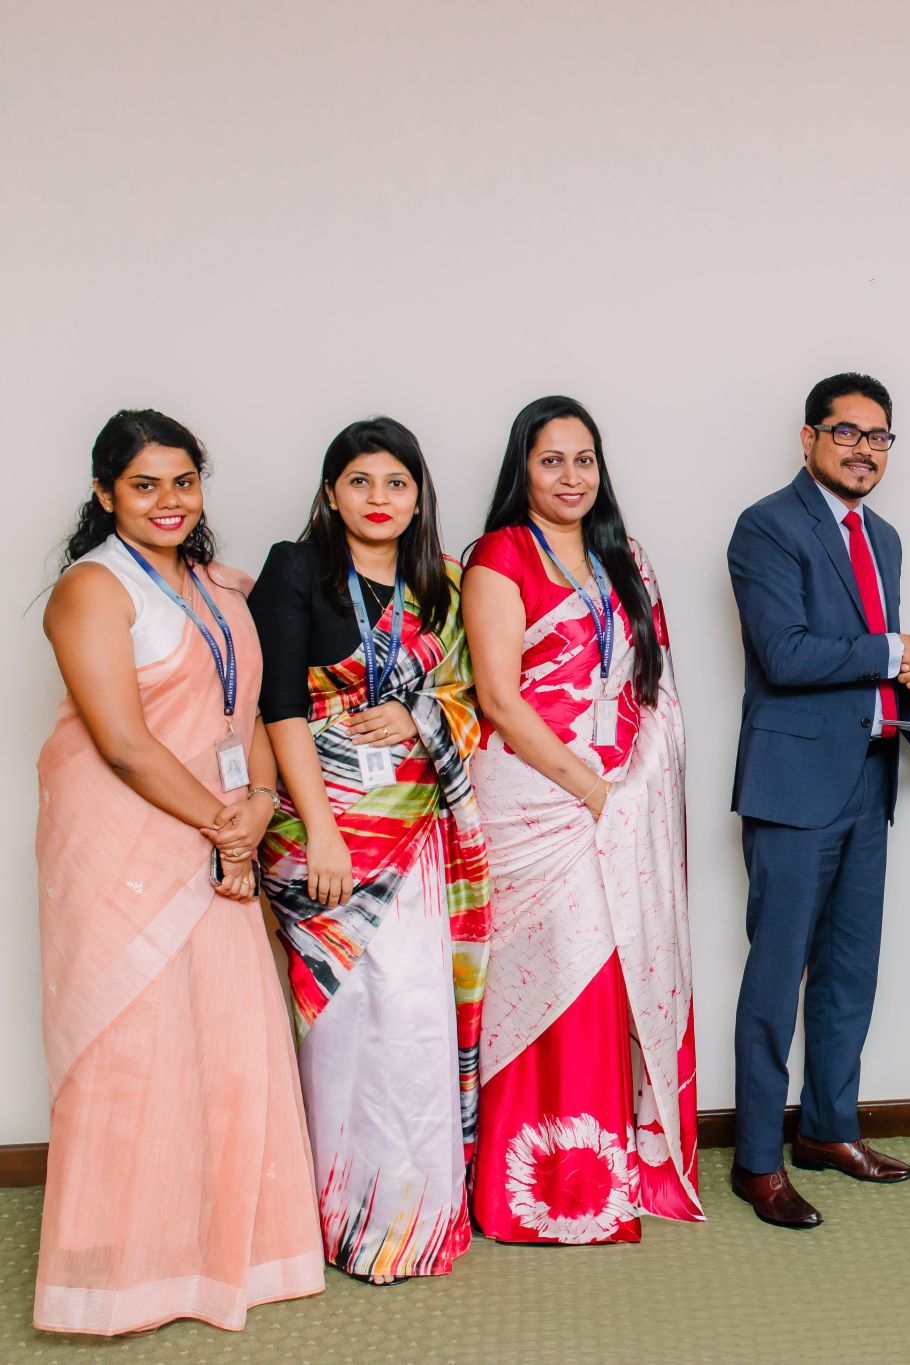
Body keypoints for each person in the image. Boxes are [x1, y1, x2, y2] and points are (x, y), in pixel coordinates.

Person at [34, 410, 322, 1334]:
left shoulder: (215, 584)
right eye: (144, 484)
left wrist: (260, 802)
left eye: (183, 481)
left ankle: (234, 1254)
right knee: (134, 1049)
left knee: (229, 1037)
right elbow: (121, 742)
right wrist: (225, 829)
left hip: (220, 828)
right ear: (104, 492)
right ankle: (117, 1276)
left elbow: (258, 708)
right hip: (128, 837)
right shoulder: (92, 587)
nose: (169, 501)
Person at [249, 417, 489, 1282]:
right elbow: (278, 706)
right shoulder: (294, 568)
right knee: (346, 1023)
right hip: (322, 832)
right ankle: (341, 1214)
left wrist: (421, 715)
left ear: (418, 495)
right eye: (359, 481)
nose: (378, 498)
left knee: (415, 1019)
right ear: (331, 491)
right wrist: (320, 829)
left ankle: (413, 1217)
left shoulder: (442, 585)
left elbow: (474, 695)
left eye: (396, 482)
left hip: (416, 828)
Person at [463, 395, 699, 1243]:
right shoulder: (499, 555)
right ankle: (538, 1188)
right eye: (552, 460)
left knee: (606, 982)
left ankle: (603, 1182)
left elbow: (653, 684)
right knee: (549, 977)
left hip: (619, 799)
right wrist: (595, 792)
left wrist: (632, 787)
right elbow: (499, 698)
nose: (571, 477)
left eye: (584, 459)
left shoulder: (622, 556)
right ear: (522, 469)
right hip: (537, 804)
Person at [726, 371, 910, 1229]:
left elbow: (870, 669)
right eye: (846, 431)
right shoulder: (766, 526)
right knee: (775, 976)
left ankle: (828, 1127)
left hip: (870, 780)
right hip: (792, 788)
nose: (864, 449)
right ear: (809, 437)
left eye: (878, 435)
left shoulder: (882, 537)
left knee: (851, 971)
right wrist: (900, 649)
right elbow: (786, 653)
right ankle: (757, 1158)